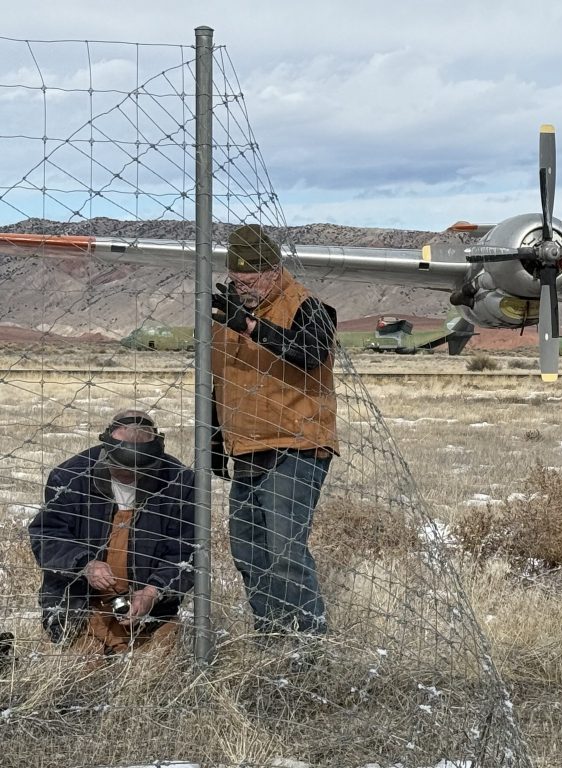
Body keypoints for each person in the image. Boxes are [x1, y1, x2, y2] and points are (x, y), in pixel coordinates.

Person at [210, 223, 338, 636]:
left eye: (249, 281)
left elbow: (311, 354)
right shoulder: (226, 315)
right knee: (249, 552)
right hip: (246, 447)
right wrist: (216, 440)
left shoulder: (308, 306)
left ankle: (307, 647)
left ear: (272, 270)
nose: (242, 288)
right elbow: (222, 381)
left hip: (295, 445)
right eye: (235, 281)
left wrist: (249, 327)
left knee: (286, 552)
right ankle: (272, 639)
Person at [28, 410, 196, 653]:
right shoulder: (70, 476)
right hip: (81, 608)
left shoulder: (179, 483)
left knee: (153, 673)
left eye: (138, 471)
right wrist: (85, 565)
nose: (128, 477)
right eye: (121, 469)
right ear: (106, 450)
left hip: (150, 613)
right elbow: (47, 536)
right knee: (83, 673)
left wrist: (152, 592)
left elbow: (186, 551)